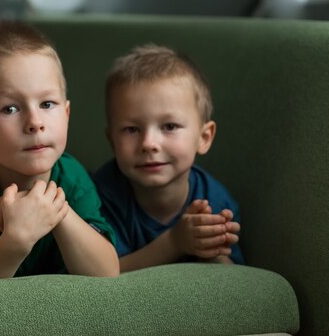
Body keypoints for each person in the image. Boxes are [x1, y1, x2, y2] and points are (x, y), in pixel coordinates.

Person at [0, 20, 119, 280]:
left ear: (66, 114)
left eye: (47, 104)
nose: (35, 123)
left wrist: (56, 212)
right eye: (10, 109)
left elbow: (106, 271)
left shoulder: (71, 177)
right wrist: (15, 242)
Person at [93, 44, 244, 272]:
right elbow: (105, 273)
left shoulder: (214, 204)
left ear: (203, 138)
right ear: (112, 141)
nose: (149, 144)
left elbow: (238, 280)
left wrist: (212, 252)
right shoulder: (101, 197)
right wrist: (175, 242)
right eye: (132, 129)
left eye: (169, 126)